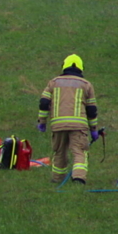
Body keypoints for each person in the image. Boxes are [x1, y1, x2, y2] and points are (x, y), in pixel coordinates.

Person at [37, 54, 99, 185]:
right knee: (79, 152)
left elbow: (44, 103)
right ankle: (78, 178)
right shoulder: (86, 85)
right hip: (78, 126)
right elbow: (91, 110)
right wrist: (93, 129)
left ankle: (57, 179)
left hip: (58, 125)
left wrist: (42, 122)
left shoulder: (54, 82)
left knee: (59, 152)